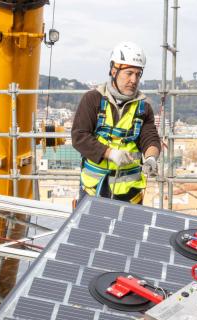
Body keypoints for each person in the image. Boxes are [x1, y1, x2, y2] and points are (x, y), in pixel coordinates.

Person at [72, 41, 162, 204]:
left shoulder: (143, 108)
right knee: (90, 230)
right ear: (114, 70)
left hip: (130, 193)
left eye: (138, 74)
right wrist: (110, 153)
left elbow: (150, 138)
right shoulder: (93, 100)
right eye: (129, 73)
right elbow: (79, 137)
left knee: (126, 230)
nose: (134, 80)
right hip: (94, 190)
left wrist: (151, 158)